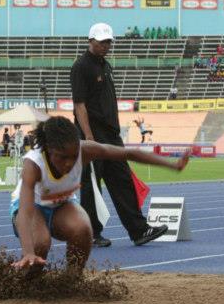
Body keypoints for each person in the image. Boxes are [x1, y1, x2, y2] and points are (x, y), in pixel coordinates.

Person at [11, 116, 190, 270]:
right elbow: (25, 213)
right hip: (32, 208)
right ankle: (27, 283)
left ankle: (71, 281)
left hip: (62, 206)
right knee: (41, 243)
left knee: (83, 229)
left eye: (73, 156)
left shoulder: (85, 150)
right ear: (48, 150)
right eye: (62, 157)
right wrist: (28, 253)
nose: (69, 163)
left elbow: (129, 154)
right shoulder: (33, 164)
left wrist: (172, 165)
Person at [71, 22, 170, 248]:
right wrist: (88, 138)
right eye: (101, 41)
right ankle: (91, 234)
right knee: (91, 186)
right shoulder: (81, 66)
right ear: (90, 41)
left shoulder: (106, 66)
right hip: (92, 135)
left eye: (108, 42)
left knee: (123, 181)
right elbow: (79, 105)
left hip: (111, 135)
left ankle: (139, 230)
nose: (106, 45)